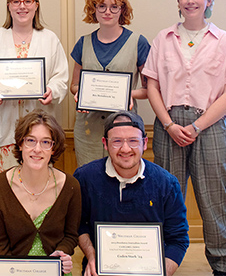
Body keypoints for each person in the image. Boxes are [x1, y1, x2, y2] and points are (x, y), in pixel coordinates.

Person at [142, 0, 226, 276]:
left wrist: (197, 126)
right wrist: (170, 124)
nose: (191, 1)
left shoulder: (223, 41)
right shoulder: (163, 38)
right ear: (178, 2)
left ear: (208, 1)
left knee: (214, 199)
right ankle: (160, 262)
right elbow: (152, 86)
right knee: (164, 197)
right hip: (168, 124)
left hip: (210, 126)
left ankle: (220, 266)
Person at [73, 111, 189, 276]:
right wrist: (91, 257)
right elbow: (78, 225)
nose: (125, 149)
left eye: (133, 141)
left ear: (144, 143)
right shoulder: (85, 178)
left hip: (150, 271)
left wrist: (162, 272)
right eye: (117, 141)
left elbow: (178, 239)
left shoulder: (166, 183)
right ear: (105, 143)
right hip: (99, 269)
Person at [0, 0, 68, 172]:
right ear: (9, 6)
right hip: (2, 128)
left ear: (36, 5)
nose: (22, 6)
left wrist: (52, 90)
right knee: (2, 188)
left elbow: (60, 77)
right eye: (16, 1)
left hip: (39, 131)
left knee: (36, 186)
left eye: (28, 1)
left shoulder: (50, 39)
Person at [0, 109, 81, 275]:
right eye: (30, 140)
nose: (37, 149)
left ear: (54, 148)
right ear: (20, 144)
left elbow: (71, 236)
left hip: (55, 271)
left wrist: (62, 252)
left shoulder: (70, 186)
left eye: (46, 142)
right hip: (13, 272)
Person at [70, 0, 150, 167]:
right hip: (88, 130)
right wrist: (81, 95)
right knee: (89, 182)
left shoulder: (138, 42)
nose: (108, 12)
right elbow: (74, 85)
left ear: (122, 10)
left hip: (123, 131)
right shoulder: (83, 43)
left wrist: (127, 95)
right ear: (94, 10)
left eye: (114, 7)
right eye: (102, 6)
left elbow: (148, 90)